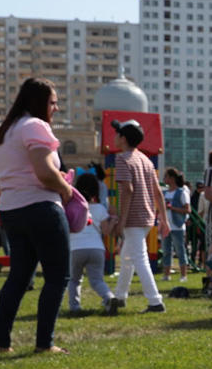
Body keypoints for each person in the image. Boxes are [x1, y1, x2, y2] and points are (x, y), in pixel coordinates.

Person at [0, 78, 73, 354]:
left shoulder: (8, 130)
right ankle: (44, 343)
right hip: (41, 208)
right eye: (52, 102)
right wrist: (65, 189)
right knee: (57, 276)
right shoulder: (35, 127)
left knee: (18, 277)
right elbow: (44, 172)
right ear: (39, 103)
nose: (56, 108)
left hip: (11, 210)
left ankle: (1, 342)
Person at [107, 119, 169, 315]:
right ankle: (119, 297)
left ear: (123, 138)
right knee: (127, 257)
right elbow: (157, 191)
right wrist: (164, 219)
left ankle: (155, 301)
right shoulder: (144, 159)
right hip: (147, 216)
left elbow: (127, 190)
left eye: (117, 134)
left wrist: (121, 221)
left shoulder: (122, 159)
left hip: (132, 218)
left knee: (138, 258)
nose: (115, 137)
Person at [67, 173, 113, 313]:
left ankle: (75, 307)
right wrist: (114, 220)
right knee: (97, 280)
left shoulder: (71, 206)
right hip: (97, 248)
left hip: (76, 248)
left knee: (74, 280)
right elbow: (106, 232)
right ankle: (109, 297)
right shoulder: (100, 208)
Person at [161, 167, 190, 282]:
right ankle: (166, 275)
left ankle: (184, 275)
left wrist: (172, 208)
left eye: (166, 176)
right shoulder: (164, 192)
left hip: (177, 226)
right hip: (166, 226)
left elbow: (188, 210)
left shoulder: (182, 192)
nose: (164, 179)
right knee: (166, 251)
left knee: (180, 251)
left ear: (172, 178)